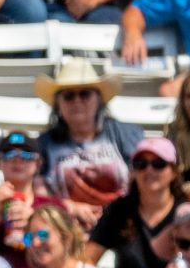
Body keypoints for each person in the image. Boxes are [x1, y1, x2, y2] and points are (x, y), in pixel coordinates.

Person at [36, 59, 144, 223]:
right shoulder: (44, 144)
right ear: (58, 105)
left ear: (99, 100)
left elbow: (143, 178)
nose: (77, 101)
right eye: (69, 95)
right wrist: (70, 207)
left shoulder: (124, 133)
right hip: (66, 226)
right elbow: (38, 193)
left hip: (123, 223)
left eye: (85, 94)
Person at [90, 135, 186, 268]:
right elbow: (88, 260)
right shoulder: (119, 209)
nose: (149, 170)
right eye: (141, 164)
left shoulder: (185, 212)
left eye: (158, 163)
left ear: (174, 172)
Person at [0, 129, 54, 261]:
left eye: (26, 155)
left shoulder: (52, 207)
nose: (17, 160)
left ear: (38, 163)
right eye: (9, 154)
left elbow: (57, 254)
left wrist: (34, 222)